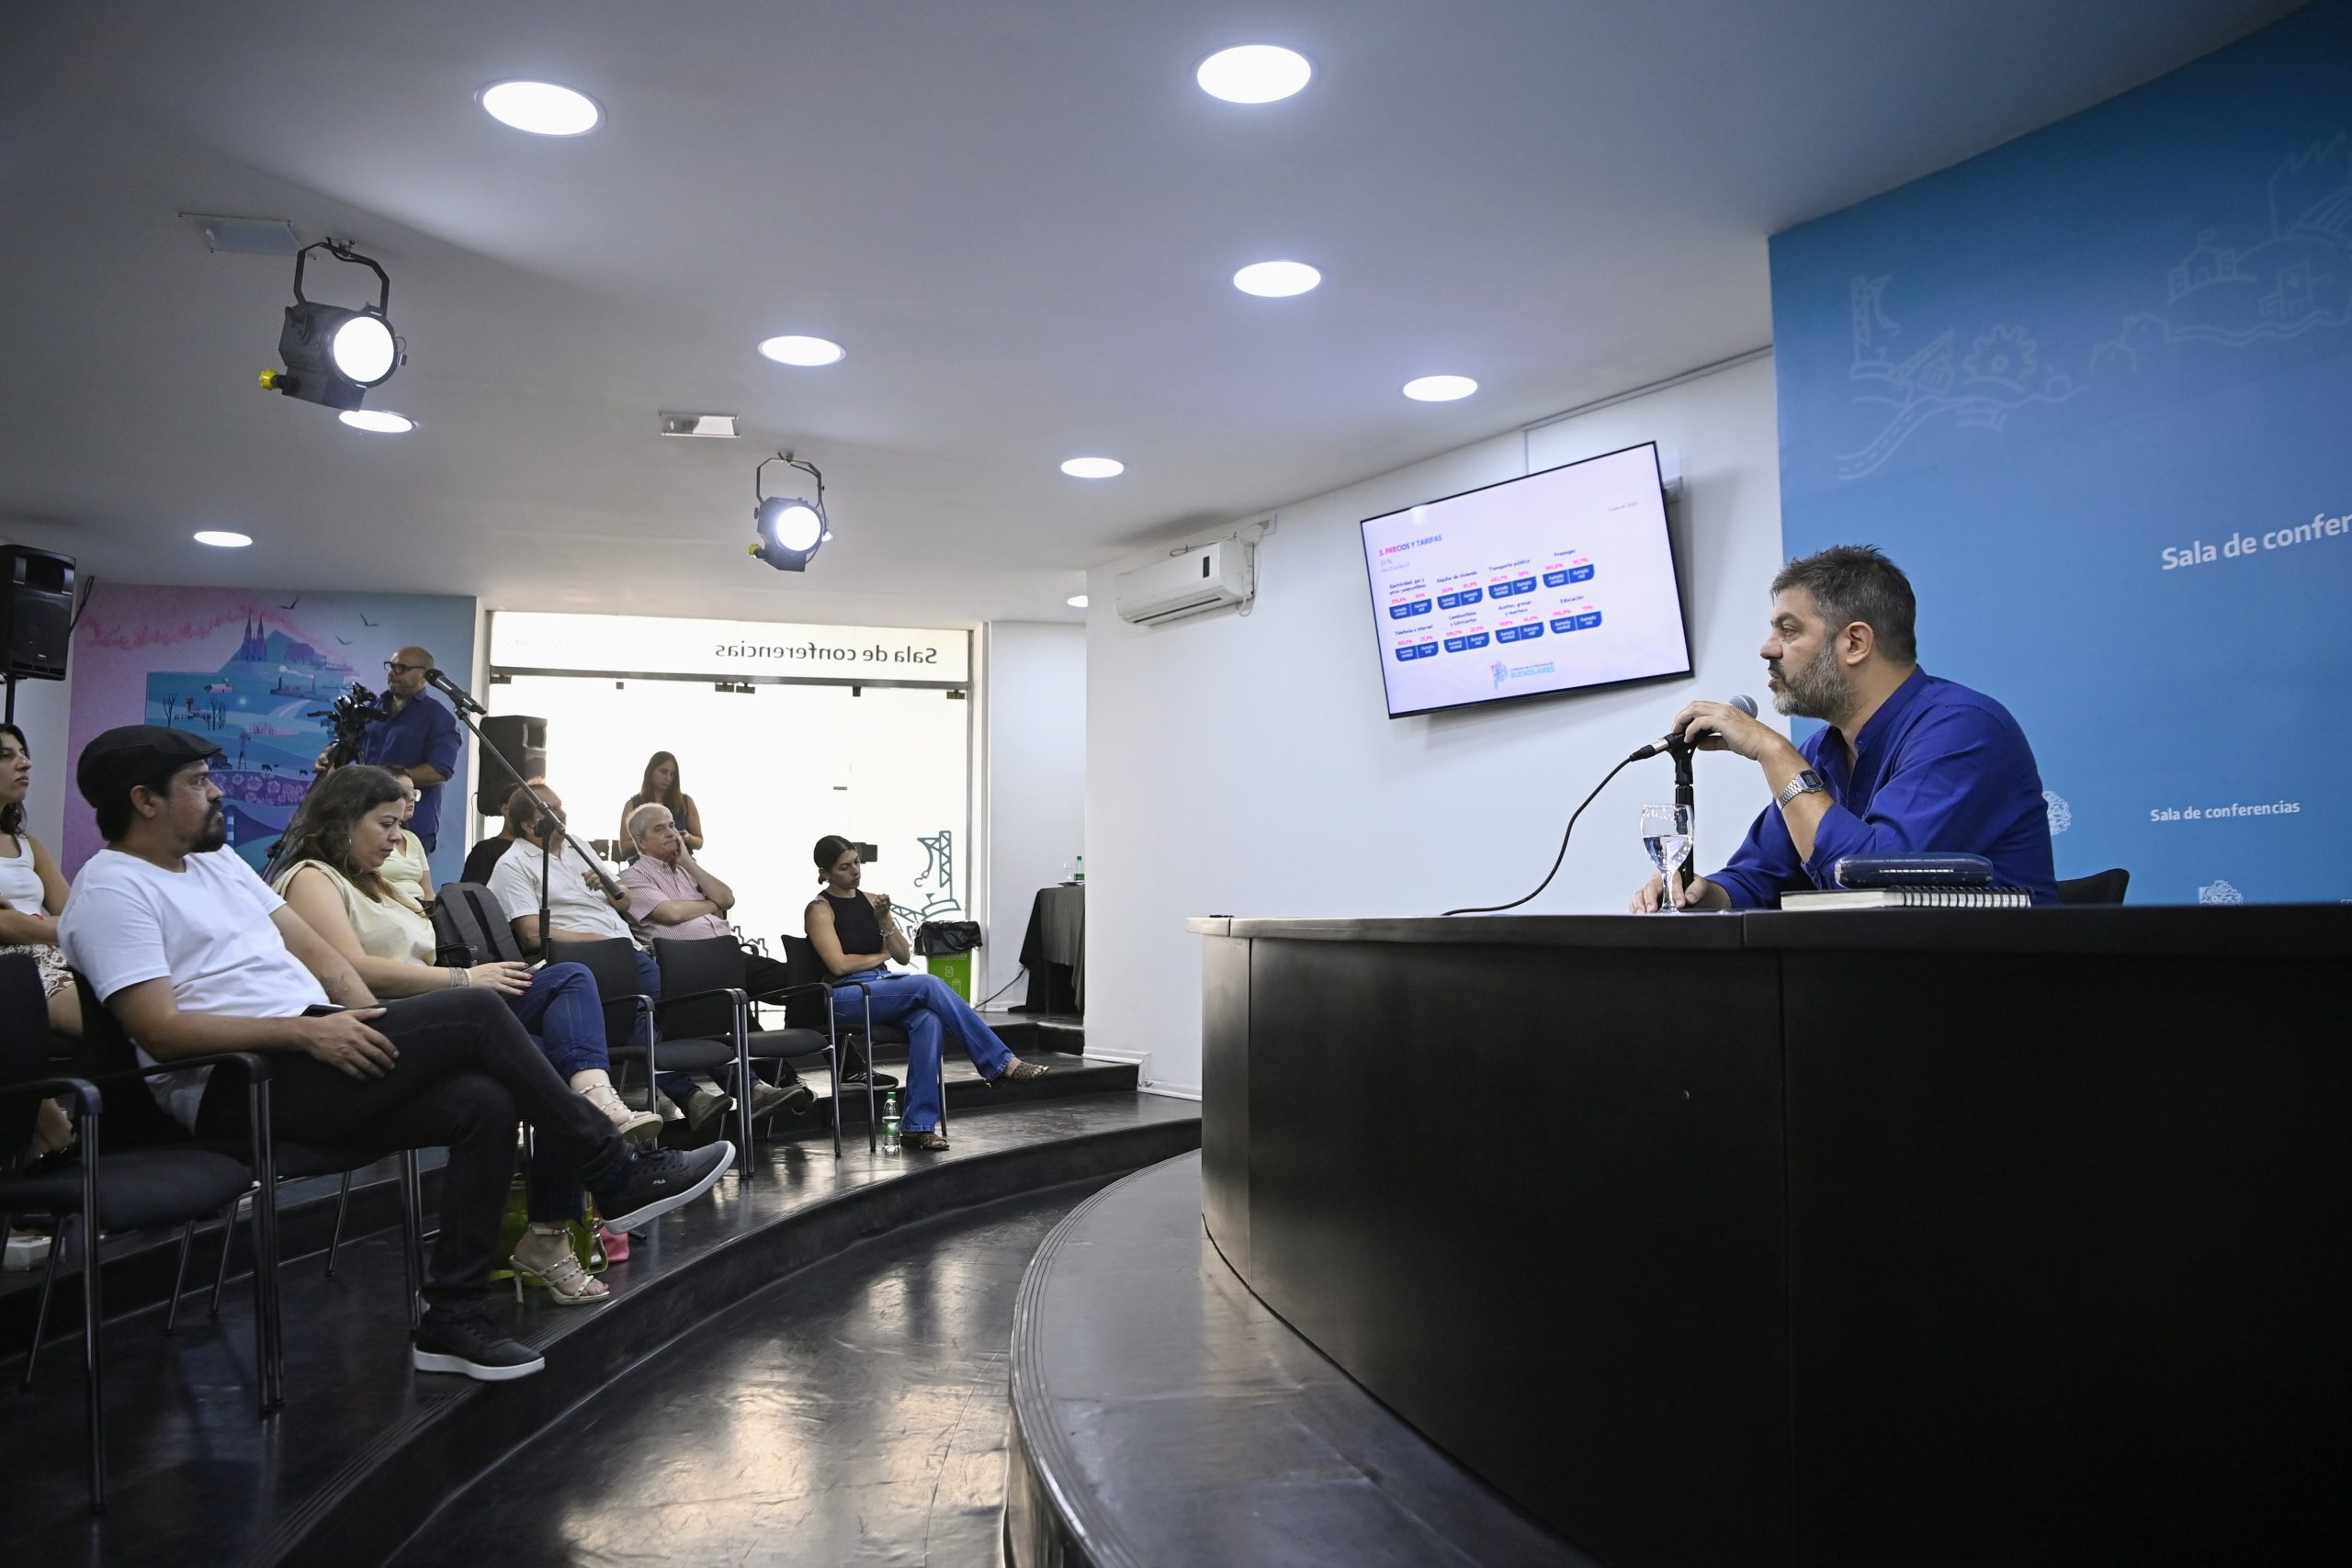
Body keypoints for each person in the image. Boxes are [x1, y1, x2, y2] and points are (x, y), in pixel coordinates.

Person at [57, 726, 733, 1379]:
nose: (215, 793)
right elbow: (160, 1030)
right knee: (475, 1009)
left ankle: (454, 1317)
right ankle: (613, 1169)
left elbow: (324, 960)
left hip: (313, 1050)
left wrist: (372, 1024)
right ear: (145, 800)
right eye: (198, 782)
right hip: (238, 1084)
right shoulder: (113, 887)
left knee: (484, 1101)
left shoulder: (218, 864)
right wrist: (307, 1033)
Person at [1629, 545, 2057, 912]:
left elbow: (1872, 883)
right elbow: (1760, 877)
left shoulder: (1963, 729)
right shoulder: (1822, 750)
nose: (1767, 648)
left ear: (1855, 643)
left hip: (1989, 976)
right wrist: (1705, 894)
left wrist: (1773, 751)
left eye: (1789, 630)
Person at [272, 765, 662, 1147]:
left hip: (433, 1005)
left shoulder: (373, 882)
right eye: (386, 824)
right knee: (538, 1047)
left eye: (399, 825)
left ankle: (598, 1102)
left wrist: (468, 979)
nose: (397, 837)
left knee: (569, 977)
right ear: (343, 820)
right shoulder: (312, 878)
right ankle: (602, 1143)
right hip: (389, 1021)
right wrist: (465, 979)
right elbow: (352, 971)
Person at [488, 783, 795, 1136]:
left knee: (689, 1006)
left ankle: (744, 1089)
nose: (563, 815)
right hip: (583, 960)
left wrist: (611, 888)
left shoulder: (577, 847)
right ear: (529, 825)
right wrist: (601, 943)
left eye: (561, 806)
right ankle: (701, 1095)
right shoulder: (512, 864)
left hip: (627, 952)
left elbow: (624, 902)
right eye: (552, 811)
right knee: (639, 1014)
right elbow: (531, 933)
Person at [805, 835, 1046, 1152]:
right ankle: (1000, 1063)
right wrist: (881, 956)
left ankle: (917, 1126)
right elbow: (838, 965)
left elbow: (903, 955)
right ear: (824, 873)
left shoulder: (874, 903)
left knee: (929, 1021)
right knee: (928, 984)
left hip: (881, 986)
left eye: (857, 863)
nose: (855, 871)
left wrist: (884, 921)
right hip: (844, 995)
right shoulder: (819, 909)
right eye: (844, 867)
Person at [618, 803, 820, 1114]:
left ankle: (799, 1069)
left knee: (801, 983)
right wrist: (709, 906)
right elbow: (671, 914)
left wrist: (688, 862)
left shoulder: (686, 871)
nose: (671, 833)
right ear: (640, 842)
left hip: (726, 957)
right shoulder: (632, 877)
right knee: (733, 1005)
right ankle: (779, 1081)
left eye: (672, 825)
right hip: (687, 967)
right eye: (660, 829)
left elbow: (727, 898)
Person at [0, 722, 80, 1040]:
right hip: (14, 966)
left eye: (23, 753)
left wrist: (25, 924)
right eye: (6, 755)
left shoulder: (28, 844)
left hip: (55, 953)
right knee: (120, 1026)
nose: (25, 763)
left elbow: (78, 917)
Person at [355, 647, 459, 853]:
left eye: (401, 668)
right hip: (365, 817)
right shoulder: (373, 707)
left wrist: (388, 779)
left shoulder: (439, 718)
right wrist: (330, 754)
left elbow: (440, 770)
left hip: (412, 825)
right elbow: (354, 743)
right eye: (391, 666)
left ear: (423, 675)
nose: (393, 673)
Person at [616, 751, 703, 860]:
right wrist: (652, 840)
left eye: (672, 774)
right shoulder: (632, 804)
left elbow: (699, 842)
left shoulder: (685, 802)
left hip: (681, 864)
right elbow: (624, 848)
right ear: (651, 771)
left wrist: (688, 837)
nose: (668, 778)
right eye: (663, 772)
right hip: (645, 865)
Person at [459, 777, 538, 887]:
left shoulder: (537, 851)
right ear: (505, 810)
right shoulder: (485, 851)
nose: (526, 816)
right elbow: (472, 893)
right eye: (521, 810)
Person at [379, 768, 435, 909]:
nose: (412, 798)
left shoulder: (413, 839)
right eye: (404, 793)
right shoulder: (373, 836)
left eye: (414, 792)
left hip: (421, 910)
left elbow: (428, 892)